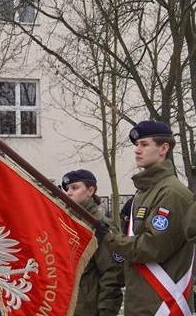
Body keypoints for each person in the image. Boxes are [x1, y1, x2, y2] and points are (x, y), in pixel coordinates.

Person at [99, 120, 194, 315]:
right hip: (142, 302)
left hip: (163, 305)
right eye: (136, 145)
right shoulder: (145, 192)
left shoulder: (172, 193)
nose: (137, 150)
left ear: (163, 148)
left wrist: (110, 239)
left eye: (144, 144)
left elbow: (152, 247)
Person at [62, 170, 124, 316]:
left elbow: (113, 274)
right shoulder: (67, 222)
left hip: (89, 309)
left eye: (75, 188)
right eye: (67, 189)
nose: (69, 193)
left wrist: (106, 312)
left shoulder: (100, 226)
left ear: (90, 191)